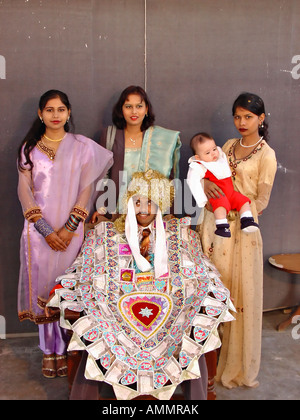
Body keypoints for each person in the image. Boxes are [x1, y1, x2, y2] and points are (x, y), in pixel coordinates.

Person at [47, 169, 235, 400]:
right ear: (129, 201)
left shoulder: (179, 232)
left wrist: (213, 290)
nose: (144, 209)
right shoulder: (107, 232)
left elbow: (198, 269)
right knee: (94, 317)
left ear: (162, 203)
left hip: (172, 306)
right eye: (137, 202)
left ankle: (194, 396)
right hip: (115, 306)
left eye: (150, 203)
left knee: (195, 321)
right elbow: (88, 270)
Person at [17, 89, 113, 379]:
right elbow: (24, 192)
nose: (55, 115)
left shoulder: (82, 147)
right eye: (49, 110)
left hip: (72, 230)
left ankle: (70, 350)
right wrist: (46, 230)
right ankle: (49, 351)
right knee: (45, 289)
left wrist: (70, 228)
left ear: (68, 113)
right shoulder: (29, 149)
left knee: (68, 288)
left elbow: (87, 189)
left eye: (61, 109)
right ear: (40, 114)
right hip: (38, 232)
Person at [198, 92, 277, 389]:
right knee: (211, 292)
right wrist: (205, 184)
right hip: (213, 226)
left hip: (241, 235)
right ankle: (206, 360)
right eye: (237, 116)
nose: (242, 122)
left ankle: (231, 364)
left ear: (261, 118)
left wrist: (234, 208)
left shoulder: (266, 155)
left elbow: (262, 201)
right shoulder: (229, 146)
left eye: (248, 116)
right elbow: (210, 171)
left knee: (235, 295)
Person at [91, 85, 181, 222]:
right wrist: (102, 208)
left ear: (146, 109)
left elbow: (170, 181)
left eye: (139, 106)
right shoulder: (110, 135)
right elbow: (104, 175)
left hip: (151, 213)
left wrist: (170, 213)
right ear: (121, 109)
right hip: (118, 212)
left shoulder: (162, 138)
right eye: (128, 106)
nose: (134, 111)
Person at [187, 132, 259, 237]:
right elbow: (192, 181)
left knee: (243, 201)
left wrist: (214, 150)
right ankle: (222, 226)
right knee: (220, 205)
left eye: (214, 149)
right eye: (207, 153)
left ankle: (247, 220)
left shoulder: (219, 157)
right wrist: (202, 200)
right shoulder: (199, 166)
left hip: (231, 193)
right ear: (198, 157)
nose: (213, 154)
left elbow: (218, 152)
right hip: (218, 194)